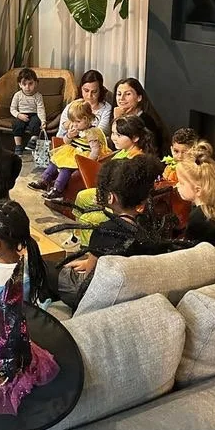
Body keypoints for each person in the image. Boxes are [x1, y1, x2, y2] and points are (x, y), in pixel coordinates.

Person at [51, 155, 170, 312]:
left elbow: (89, 282)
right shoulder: (154, 225)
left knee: (46, 269)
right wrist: (89, 262)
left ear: (110, 197)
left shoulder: (105, 232)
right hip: (134, 293)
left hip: (99, 298)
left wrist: (90, 264)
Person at [71, 115, 158, 228]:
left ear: (135, 137)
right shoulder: (122, 152)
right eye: (113, 133)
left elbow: (126, 196)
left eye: (119, 135)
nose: (114, 138)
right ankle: (77, 233)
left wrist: (104, 201)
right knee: (82, 196)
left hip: (122, 205)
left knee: (88, 219)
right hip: (110, 195)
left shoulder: (136, 161)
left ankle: (90, 241)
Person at [29, 98, 110, 200]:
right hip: (70, 152)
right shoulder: (75, 128)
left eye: (78, 121)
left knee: (65, 169)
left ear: (87, 119)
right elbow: (65, 141)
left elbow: (95, 150)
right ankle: (45, 180)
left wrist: (87, 163)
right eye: (73, 121)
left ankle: (57, 189)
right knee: (54, 162)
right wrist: (69, 135)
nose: (74, 124)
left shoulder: (91, 132)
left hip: (82, 157)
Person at [112, 76, 164, 154]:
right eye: (119, 94)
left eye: (127, 94)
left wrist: (118, 119)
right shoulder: (117, 112)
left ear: (139, 97)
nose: (121, 98)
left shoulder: (146, 120)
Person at [57, 69, 112, 137]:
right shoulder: (72, 106)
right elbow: (60, 134)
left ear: (100, 90)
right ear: (81, 88)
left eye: (94, 92)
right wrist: (68, 126)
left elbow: (101, 132)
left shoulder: (106, 109)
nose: (89, 95)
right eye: (86, 91)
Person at [10, 67, 47, 156]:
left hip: (34, 114)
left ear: (36, 83)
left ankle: (33, 141)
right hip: (21, 114)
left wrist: (43, 121)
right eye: (24, 84)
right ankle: (18, 146)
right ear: (20, 84)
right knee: (17, 124)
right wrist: (19, 115)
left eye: (30, 84)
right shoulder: (17, 95)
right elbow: (12, 109)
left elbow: (41, 109)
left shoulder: (38, 96)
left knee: (36, 123)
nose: (27, 87)